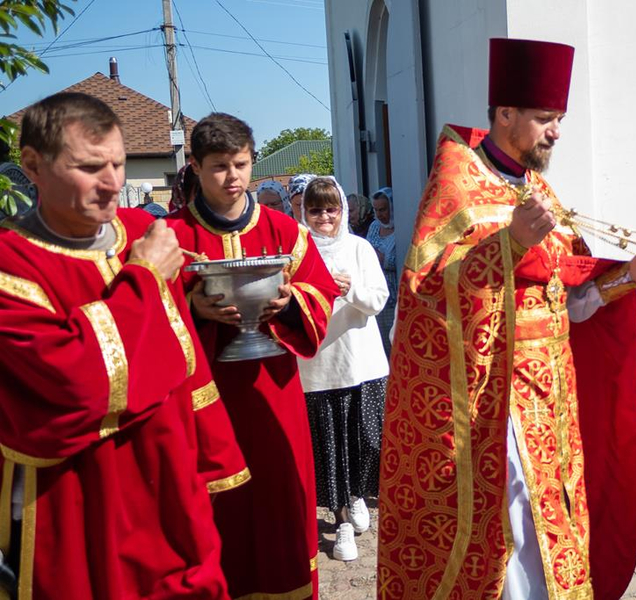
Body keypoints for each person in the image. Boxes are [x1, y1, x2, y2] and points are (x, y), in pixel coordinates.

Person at [377, 38, 636, 599]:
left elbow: (570, 298)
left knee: (548, 526)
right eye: (544, 119)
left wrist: (630, 274)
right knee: (507, 528)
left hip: (550, 403)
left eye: (558, 119)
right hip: (489, 408)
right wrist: (508, 244)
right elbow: (427, 293)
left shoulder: (541, 192)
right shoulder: (456, 187)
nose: (555, 131)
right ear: (505, 114)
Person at [0, 92, 247, 599]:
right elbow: (78, 382)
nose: (114, 183)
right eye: (91, 167)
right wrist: (145, 277)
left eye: (118, 163)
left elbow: (185, 361)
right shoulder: (12, 266)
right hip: (78, 498)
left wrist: (211, 461)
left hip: (171, 486)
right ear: (32, 166)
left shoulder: (141, 231)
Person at [168, 113, 339, 600]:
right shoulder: (173, 237)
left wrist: (291, 303)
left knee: (280, 498)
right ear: (196, 167)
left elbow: (322, 294)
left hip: (274, 394)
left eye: (241, 164)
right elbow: (145, 315)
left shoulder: (285, 231)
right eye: (219, 166)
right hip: (204, 399)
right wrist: (193, 307)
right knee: (214, 510)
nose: (233, 176)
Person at [296, 177, 389, 562]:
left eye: (331, 208)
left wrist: (349, 289)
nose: (324, 217)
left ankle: (356, 496)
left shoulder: (359, 247)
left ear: (342, 210)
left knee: (365, 442)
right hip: (319, 366)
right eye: (316, 209)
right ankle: (342, 521)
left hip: (362, 362)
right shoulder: (296, 251)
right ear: (304, 212)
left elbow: (379, 300)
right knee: (330, 449)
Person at [365, 187, 396, 356]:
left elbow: (393, 261)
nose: (379, 214)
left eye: (383, 209)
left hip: (395, 295)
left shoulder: (401, 226)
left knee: (394, 344)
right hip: (377, 294)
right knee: (381, 346)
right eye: (376, 210)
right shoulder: (375, 227)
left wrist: (377, 255)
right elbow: (369, 259)